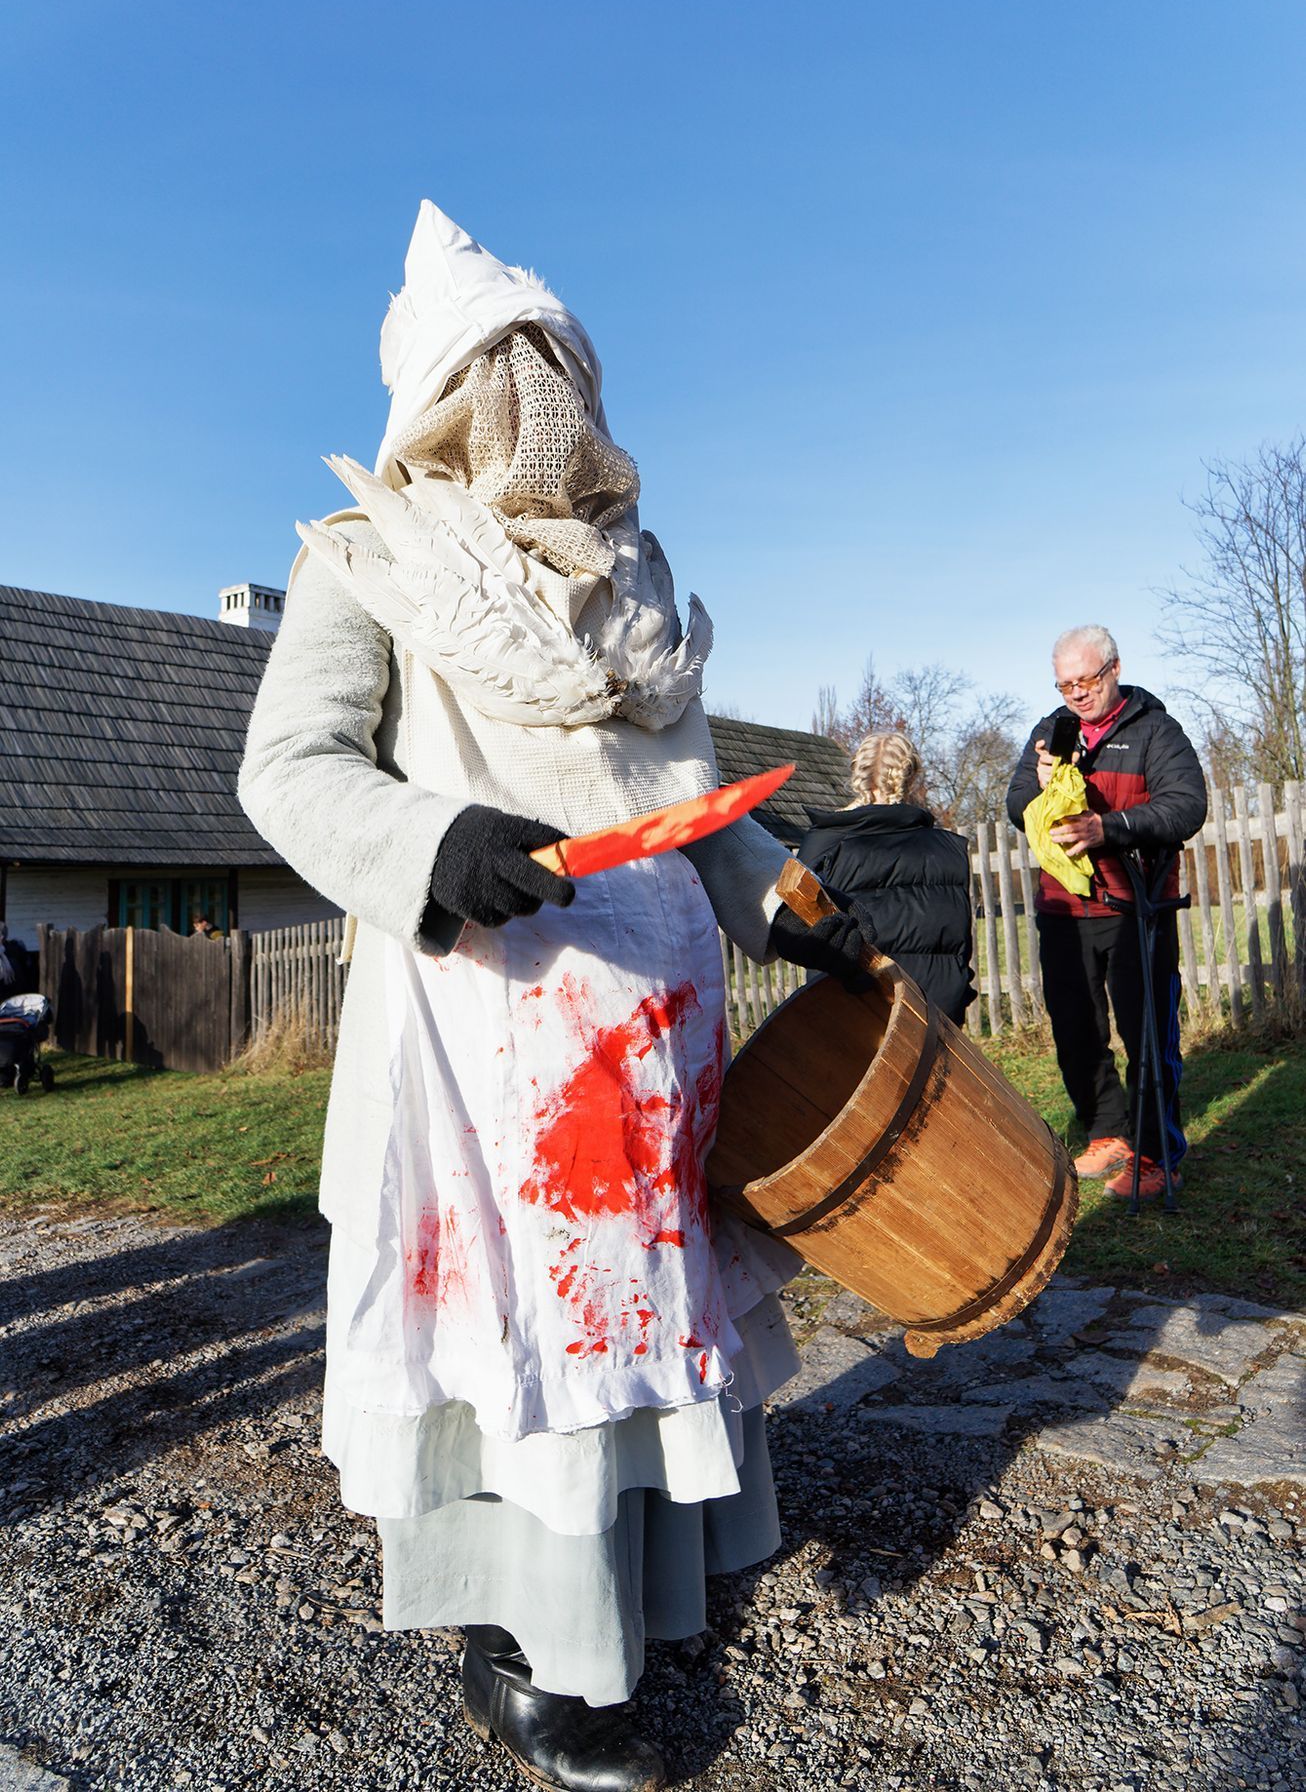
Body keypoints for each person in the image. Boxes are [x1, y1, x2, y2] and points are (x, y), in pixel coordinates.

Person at [238, 201, 873, 1792]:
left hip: (658, 1044)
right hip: (487, 1052)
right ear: (443, 392)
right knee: (531, 1344)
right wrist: (432, 843)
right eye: (499, 368)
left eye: (553, 363)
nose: (534, 399)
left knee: (651, 1332)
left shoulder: (637, 582)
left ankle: (638, 1603)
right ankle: (535, 1663)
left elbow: (689, 797)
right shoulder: (369, 564)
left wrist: (776, 898)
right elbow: (288, 771)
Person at [1006, 626, 1207, 1202]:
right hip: (1063, 909)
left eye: (1086, 681)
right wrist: (1041, 789)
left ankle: (1156, 1155)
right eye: (1064, 684)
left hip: (1136, 904)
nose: (1076, 694)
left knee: (1148, 1033)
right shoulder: (1049, 732)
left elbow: (1187, 804)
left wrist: (1109, 827)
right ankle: (1107, 1133)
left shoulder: (1156, 730)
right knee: (1076, 1029)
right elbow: (1016, 806)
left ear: (1114, 667)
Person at [796, 730, 975, 1025]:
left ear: (857, 772)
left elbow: (803, 929)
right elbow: (958, 939)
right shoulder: (946, 849)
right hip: (932, 1012)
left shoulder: (823, 845)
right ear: (911, 776)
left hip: (848, 1012)